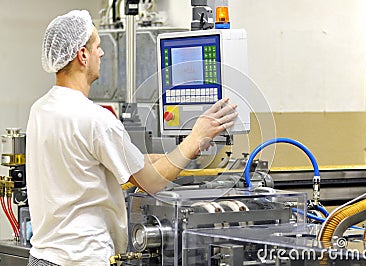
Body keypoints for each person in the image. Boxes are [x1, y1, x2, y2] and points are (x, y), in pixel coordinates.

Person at [26, 10, 238, 266]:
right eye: (98, 46)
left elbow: (122, 164)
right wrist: (195, 137)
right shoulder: (96, 119)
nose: (102, 53)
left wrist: (187, 150)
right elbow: (150, 182)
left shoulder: (40, 109)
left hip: (41, 257)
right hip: (81, 260)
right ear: (83, 55)